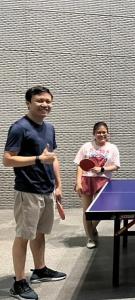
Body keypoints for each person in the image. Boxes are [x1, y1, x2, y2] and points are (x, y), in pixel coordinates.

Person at [4, 86, 66, 300]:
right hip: (28, 192)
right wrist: (38, 159)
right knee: (23, 236)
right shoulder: (19, 128)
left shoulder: (49, 128)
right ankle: (19, 283)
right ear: (28, 102)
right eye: (40, 100)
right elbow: (8, 159)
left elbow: (53, 157)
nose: (45, 104)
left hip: (47, 190)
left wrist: (58, 185)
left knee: (40, 233)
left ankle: (40, 269)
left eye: (48, 101)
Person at [74, 122, 120, 249]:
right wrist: (78, 182)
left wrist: (102, 169)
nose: (101, 134)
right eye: (99, 132)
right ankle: (90, 237)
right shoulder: (86, 146)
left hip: (103, 180)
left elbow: (116, 166)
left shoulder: (113, 148)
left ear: (107, 133)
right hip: (86, 180)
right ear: (94, 134)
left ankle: (92, 228)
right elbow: (79, 165)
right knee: (87, 211)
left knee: (102, 210)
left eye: (104, 132)